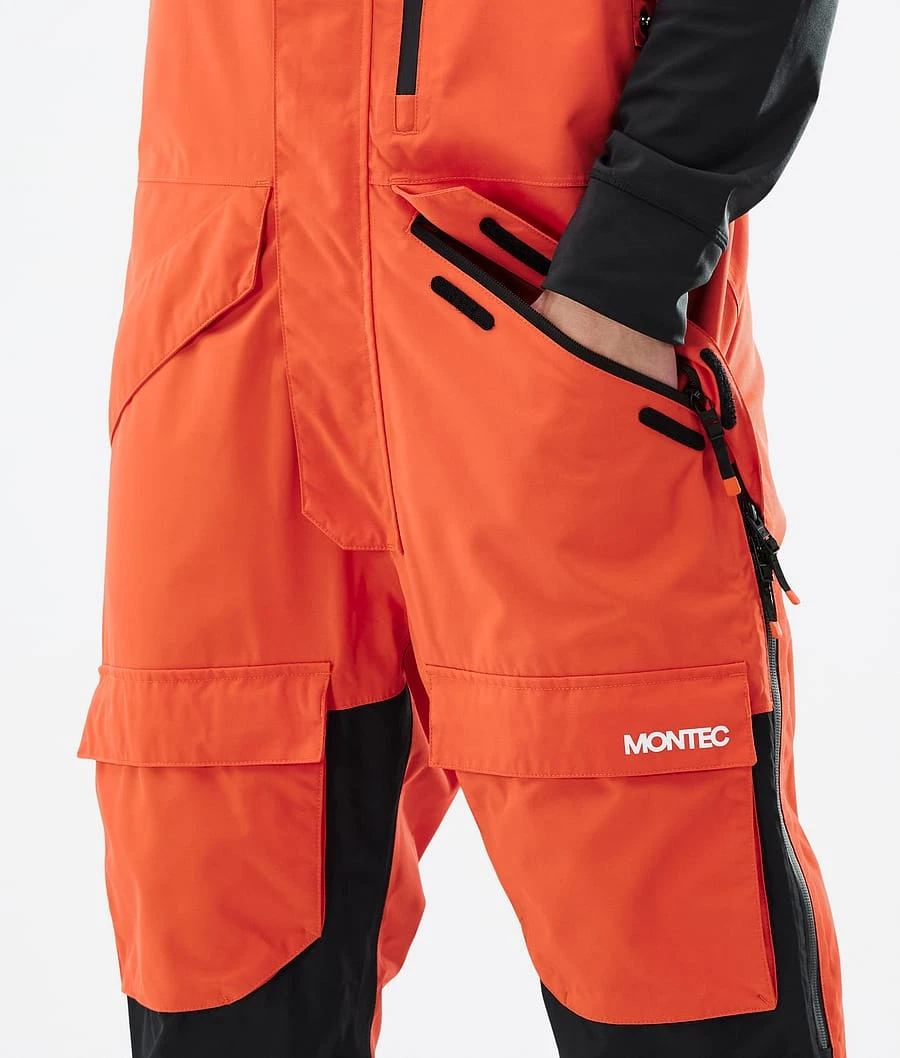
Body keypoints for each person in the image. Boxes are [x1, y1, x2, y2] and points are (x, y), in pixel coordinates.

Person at [78, 1, 845, 1055]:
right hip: (225, 358)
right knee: (218, 966)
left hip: (545, 328)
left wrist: (632, 266)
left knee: (677, 982)